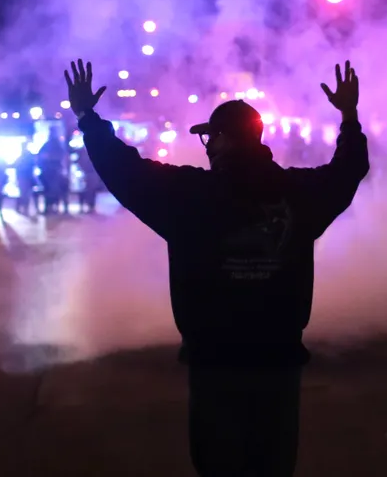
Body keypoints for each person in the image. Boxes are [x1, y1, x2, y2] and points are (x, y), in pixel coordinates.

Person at [64, 59, 369, 477]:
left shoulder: (188, 195)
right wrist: (349, 117)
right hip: (277, 365)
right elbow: (348, 172)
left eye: (213, 137)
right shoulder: (298, 195)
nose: (208, 146)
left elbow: (124, 170)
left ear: (226, 139)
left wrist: (87, 118)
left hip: (215, 366)